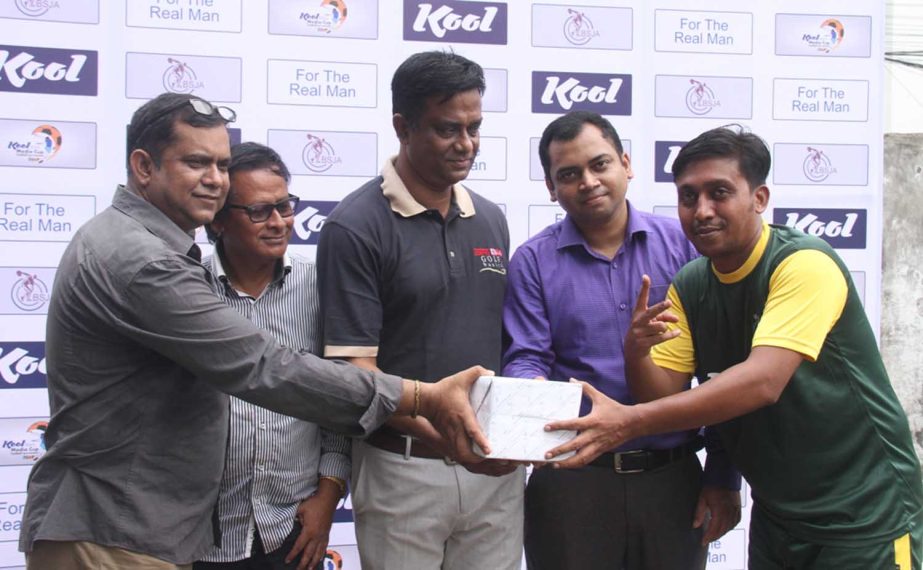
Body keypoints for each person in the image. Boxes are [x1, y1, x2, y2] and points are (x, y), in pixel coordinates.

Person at [18, 92, 495, 570]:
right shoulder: (144, 261)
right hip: (112, 531)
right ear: (144, 166)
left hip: (137, 528)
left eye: (222, 165)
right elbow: (261, 365)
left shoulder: (139, 244)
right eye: (196, 162)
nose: (214, 181)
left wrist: (329, 487)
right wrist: (419, 397)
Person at [545, 125, 923, 569]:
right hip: (780, 516)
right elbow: (662, 394)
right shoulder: (692, 282)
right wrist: (636, 352)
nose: (702, 211)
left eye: (719, 192)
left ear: (759, 199)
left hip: (864, 514)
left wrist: (629, 423)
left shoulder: (803, 264)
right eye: (689, 197)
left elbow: (762, 382)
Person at [502, 111, 741, 570]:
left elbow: (722, 372)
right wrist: (529, 405)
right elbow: (525, 357)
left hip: (673, 482)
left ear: (626, 164)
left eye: (600, 164)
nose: (588, 182)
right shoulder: (532, 261)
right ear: (551, 188)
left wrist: (724, 476)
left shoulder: (685, 246)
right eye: (568, 174)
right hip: (573, 483)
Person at [317, 51, 524, 570]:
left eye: (474, 127)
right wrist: (446, 440)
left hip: (493, 472)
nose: (466, 144)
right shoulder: (355, 226)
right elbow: (353, 370)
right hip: (401, 470)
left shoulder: (491, 220)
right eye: (447, 129)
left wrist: (491, 445)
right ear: (402, 127)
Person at [194, 142, 343, 570]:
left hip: (293, 531)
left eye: (285, 206)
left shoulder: (320, 288)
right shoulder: (186, 291)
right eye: (260, 211)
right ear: (219, 220)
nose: (279, 223)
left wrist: (327, 498)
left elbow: (338, 402)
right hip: (200, 536)